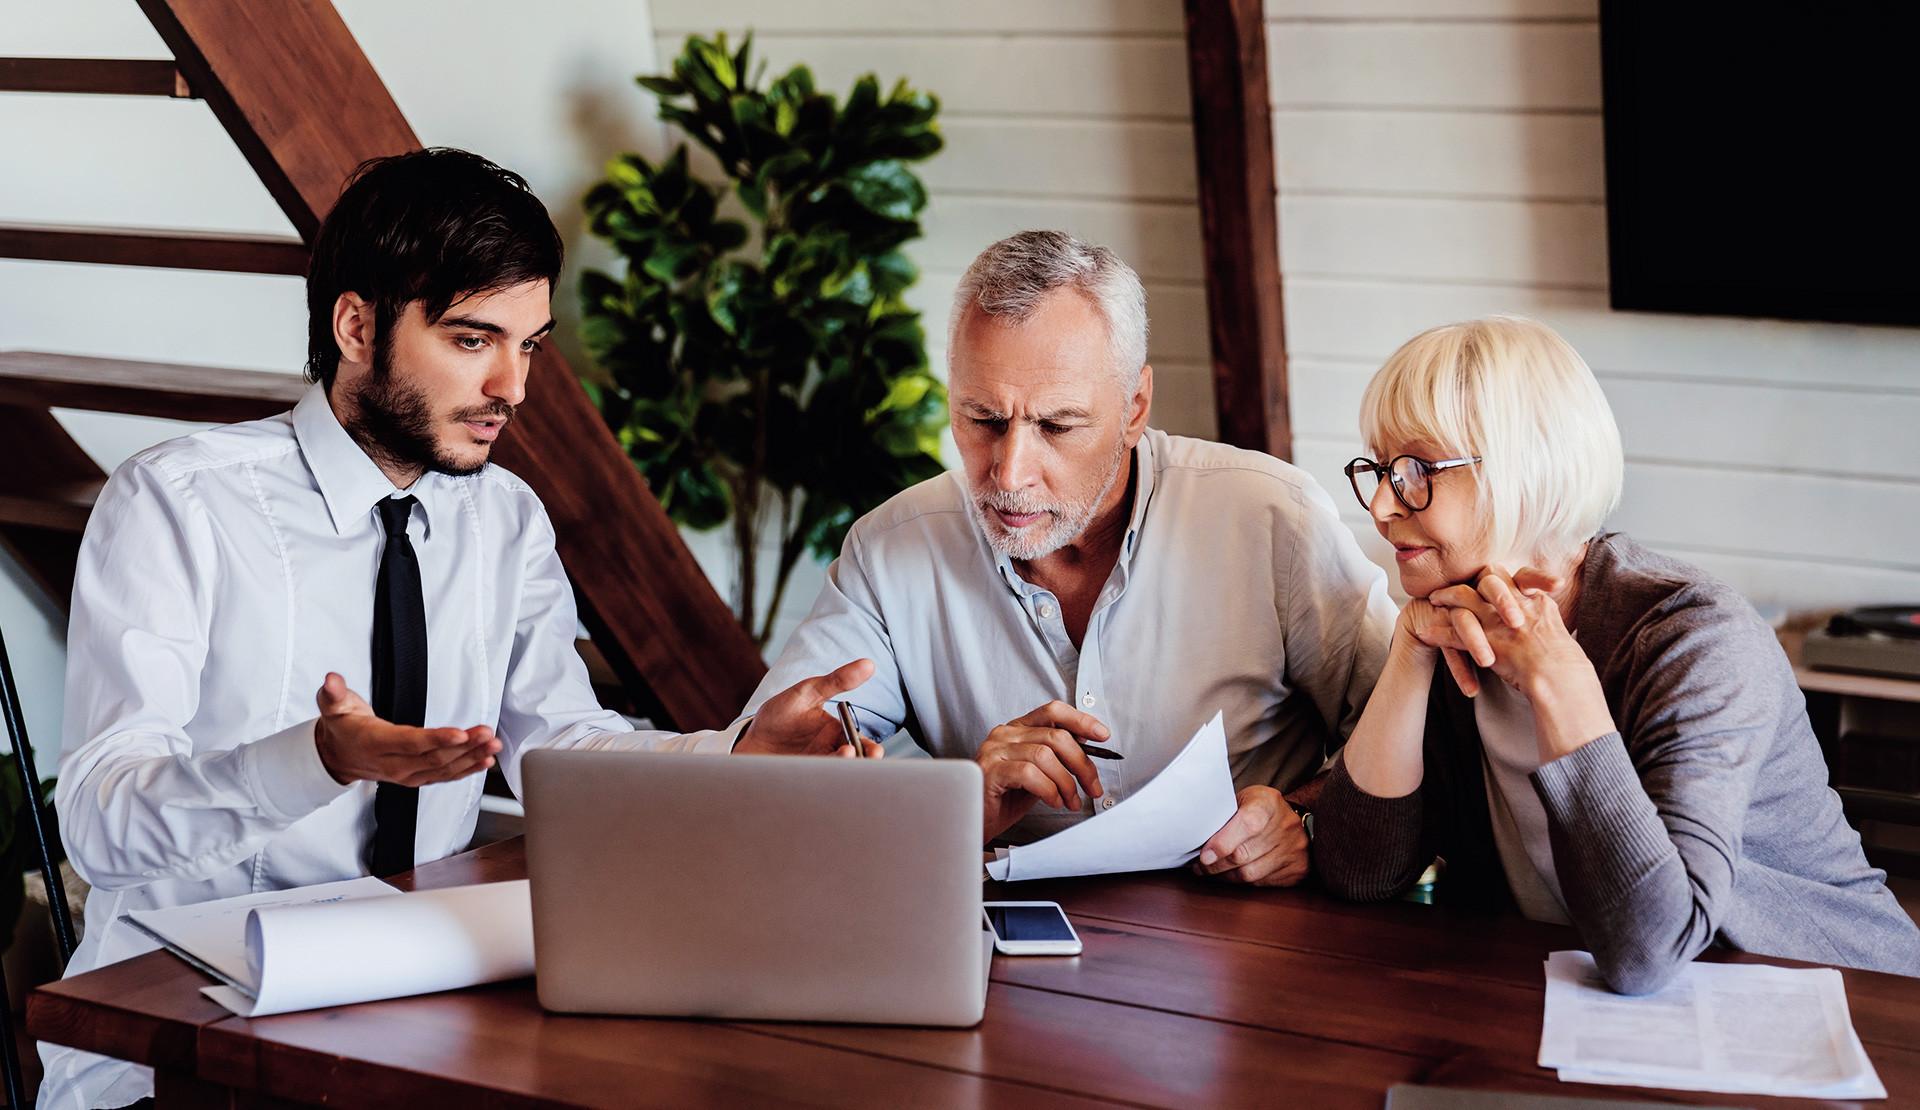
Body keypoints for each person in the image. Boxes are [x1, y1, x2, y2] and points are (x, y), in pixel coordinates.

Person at [41, 148, 875, 1110]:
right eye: (474, 340)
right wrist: (318, 759)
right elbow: (100, 824)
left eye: (530, 345)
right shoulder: (177, 502)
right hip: (186, 1032)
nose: (513, 388)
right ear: (356, 326)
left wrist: (737, 758)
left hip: (421, 1007)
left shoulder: (505, 517)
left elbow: (559, 747)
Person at [742, 230, 1395, 881]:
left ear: (1134, 407)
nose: (1010, 473)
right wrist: (958, 803)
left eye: (1056, 426)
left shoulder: (1270, 518)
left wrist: (1303, 816)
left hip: (1259, 952)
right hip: (1004, 963)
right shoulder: (888, 553)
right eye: (982, 419)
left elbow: (1420, 739)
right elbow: (770, 773)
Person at [1313, 315, 1920, 993]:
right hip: (1585, 1007)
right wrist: (1409, 651)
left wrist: (1561, 683)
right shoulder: (1453, 624)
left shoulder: (1695, 637)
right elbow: (1358, 873)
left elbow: (1651, 948)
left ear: (1526, 463)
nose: (1381, 508)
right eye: (1378, 470)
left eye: (1416, 470)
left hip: (1842, 1002)